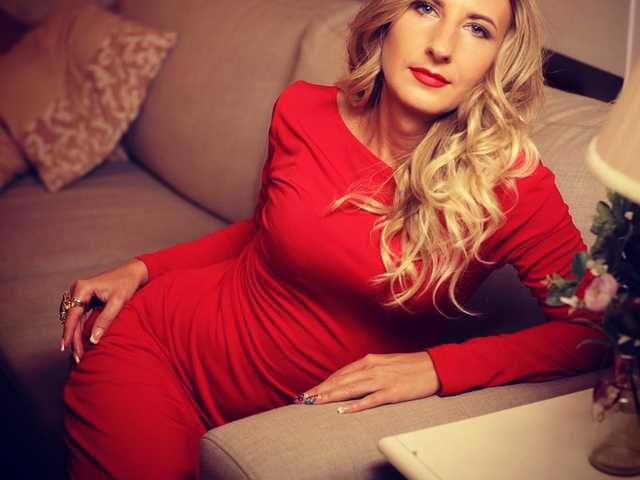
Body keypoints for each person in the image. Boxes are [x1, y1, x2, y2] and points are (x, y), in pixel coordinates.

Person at [60, 0, 610, 478]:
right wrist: (144, 268)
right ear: (388, 19)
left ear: (498, 60)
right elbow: (268, 234)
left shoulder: (511, 185)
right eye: (426, 6)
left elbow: (595, 330)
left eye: (477, 28)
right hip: (157, 349)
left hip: (280, 422)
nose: (442, 46)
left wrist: (436, 368)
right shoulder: (303, 110)